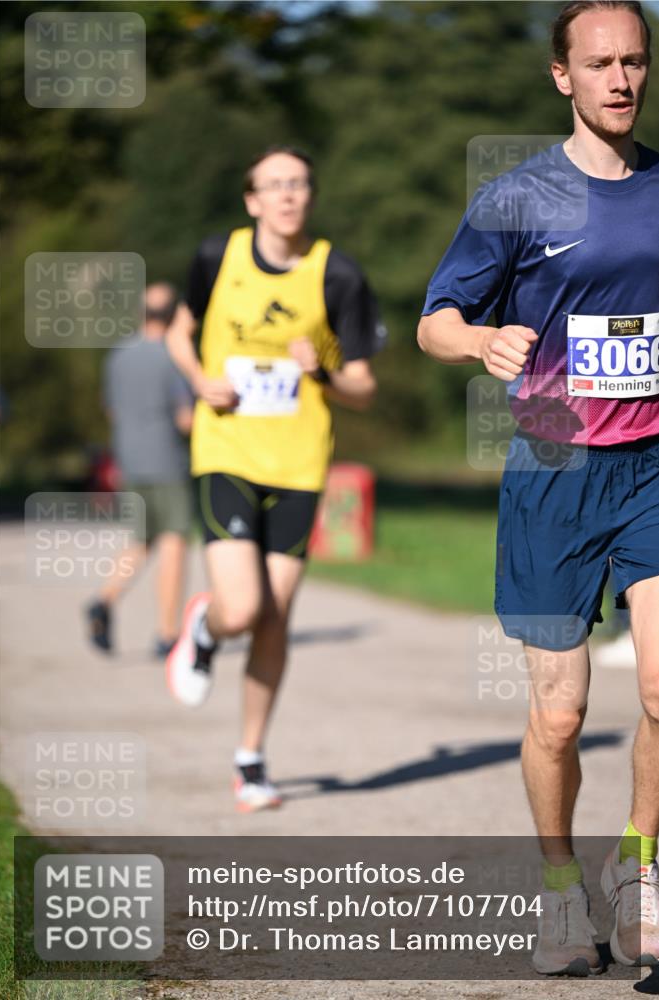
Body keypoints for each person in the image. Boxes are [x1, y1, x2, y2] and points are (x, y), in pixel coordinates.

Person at [418, 1, 659, 975]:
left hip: (655, 465)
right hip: (553, 468)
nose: (619, 80)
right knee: (558, 714)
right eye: (598, 63)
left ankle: (638, 870)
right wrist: (478, 339)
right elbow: (436, 317)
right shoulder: (517, 198)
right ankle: (561, 890)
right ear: (560, 76)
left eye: (634, 61)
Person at [164, 146, 382, 812]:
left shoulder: (336, 275)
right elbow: (179, 332)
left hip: (296, 465)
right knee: (243, 609)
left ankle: (250, 760)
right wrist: (200, 379)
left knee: (274, 621)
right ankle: (204, 626)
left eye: (298, 184)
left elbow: (363, 388)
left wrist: (319, 364)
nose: (288, 195)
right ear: (251, 199)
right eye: (273, 185)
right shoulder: (215, 257)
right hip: (225, 451)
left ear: (309, 197)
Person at [86, 283, 194, 658]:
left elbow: (111, 409)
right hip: (167, 461)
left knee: (141, 540)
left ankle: (104, 599)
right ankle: (167, 634)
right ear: (177, 315)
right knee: (174, 542)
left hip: (129, 461)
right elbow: (186, 419)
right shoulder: (174, 355)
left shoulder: (117, 355)